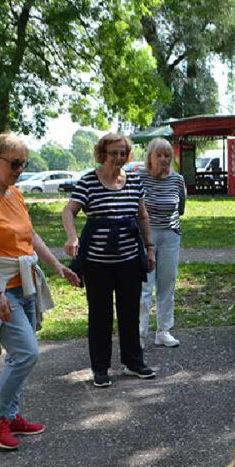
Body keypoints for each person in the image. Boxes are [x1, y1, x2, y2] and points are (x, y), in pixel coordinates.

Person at [0, 133, 81, 450]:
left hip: (25, 283)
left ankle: (10, 414)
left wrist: (58, 267)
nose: (19, 169)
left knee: (21, 355)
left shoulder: (14, 193)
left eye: (23, 164)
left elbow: (31, 237)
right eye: (14, 163)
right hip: (2, 286)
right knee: (26, 354)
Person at [62, 133, 156, 388]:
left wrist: (150, 248)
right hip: (97, 262)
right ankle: (100, 368)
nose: (118, 157)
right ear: (102, 154)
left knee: (130, 313)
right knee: (100, 316)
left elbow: (143, 217)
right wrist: (72, 237)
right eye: (113, 152)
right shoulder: (89, 182)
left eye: (122, 153)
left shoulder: (135, 181)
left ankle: (133, 362)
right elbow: (69, 211)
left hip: (128, 258)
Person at [138, 138, 187, 349]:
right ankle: (139, 333)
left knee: (167, 284)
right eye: (159, 155)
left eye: (167, 155)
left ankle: (164, 331)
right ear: (150, 157)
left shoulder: (177, 180)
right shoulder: (139, 178)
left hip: (170, 235)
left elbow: (181, 208)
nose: (163, 159)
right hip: (144, 236)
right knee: (143, 286)